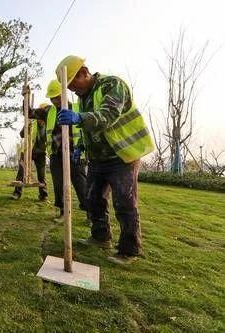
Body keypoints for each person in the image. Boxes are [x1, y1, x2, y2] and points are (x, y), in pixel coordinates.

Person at [55, 55, 155, 264]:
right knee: (92, 199)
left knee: (124, 201)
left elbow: (107, 116)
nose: (72, 90)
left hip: (122, 155)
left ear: (85, 72)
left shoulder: (112, 85)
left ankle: (129, 250)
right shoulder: (83, 96)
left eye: (74, 84)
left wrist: (79, 118)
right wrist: (81, 146)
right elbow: (89, 129)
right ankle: (100, 237)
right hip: (98, 159)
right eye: (69, 87)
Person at [41, 80, 88, 222]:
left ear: (63, 94)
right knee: (58, 185)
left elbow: (86, 130)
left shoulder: (77, 108)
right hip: (57, 154)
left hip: (75, 154)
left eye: (56, 97)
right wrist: (25, 95)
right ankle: (63, 212)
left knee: (81, 185)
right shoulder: (49, 111)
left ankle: (91, 214)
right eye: (51, 98)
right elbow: (29, 112)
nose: (54, 100)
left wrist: (82, 150)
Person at [12, 113, 48, 201]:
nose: (40, 120)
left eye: (43, 118)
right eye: (39, 117)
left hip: (41, 153)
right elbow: (21, 135)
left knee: (41, 175)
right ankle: (17, 193)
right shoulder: (31, 122)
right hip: (27, 150)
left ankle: (43, 195)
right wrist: (26, 128)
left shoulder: (48, 124)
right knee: (21, 172)